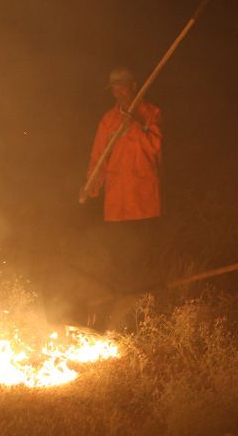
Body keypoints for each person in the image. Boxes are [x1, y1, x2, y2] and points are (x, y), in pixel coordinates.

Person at [78, 67, 163, 324]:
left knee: (142, 262)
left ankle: (144, 316)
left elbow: (155, 147)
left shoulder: (151, 113)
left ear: (134, 85)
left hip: (144, 202)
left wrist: (134, 127)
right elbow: (98, 158)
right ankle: (118, 316)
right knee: (117, 261)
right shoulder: (107, 120)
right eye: (114, 87)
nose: (118, 92)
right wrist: (91, 185)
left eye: (122, 86)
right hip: (116, 204)